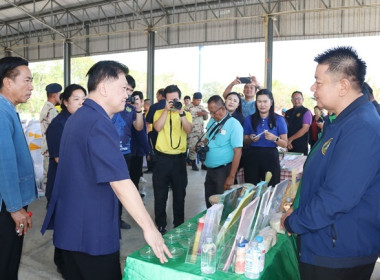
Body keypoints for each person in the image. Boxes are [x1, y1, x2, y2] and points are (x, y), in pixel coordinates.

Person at [41, 61, 171, 280]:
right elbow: (120, 182)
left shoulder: (78, 117)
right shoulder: (98, 123)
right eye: (123, 88)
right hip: (91, 236)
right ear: (103, 88)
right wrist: (150, 228)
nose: (127, 95)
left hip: (72, 232)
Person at [282, 46, 380, 280]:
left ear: (343, 86)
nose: (312, 88)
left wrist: (294, 221)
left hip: (338, 252)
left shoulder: (362, 127)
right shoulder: (340, 122)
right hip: (326, 242)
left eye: (318, 82)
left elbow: (337, 197)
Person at [0, 56, 37, 280]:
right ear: (7, 82)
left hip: (9, 202)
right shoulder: (1, 112)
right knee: (6, 260)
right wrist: (15, 208)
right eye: (27, 81)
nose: (31, 87)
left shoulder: (8, 109)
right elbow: (4, 164)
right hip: (6, 204)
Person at [45, 84, 87, 277]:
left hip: (77, 181)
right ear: (64, 101)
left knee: (72, 224)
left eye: (83, 99)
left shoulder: (79, 120)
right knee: (63, 223)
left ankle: (68, 258)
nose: (81, 103)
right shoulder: (58, 125)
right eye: (76, 99)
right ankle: (61, 261)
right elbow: (60, 158)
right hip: (62, 183)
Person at [152, 85, 193, 235]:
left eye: (175, 99)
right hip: (162, 160)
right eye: (169, 100)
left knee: (179, 194)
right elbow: (157, 128)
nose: (172, 102)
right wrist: (165, 111)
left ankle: (179, 224)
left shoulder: (186, 114)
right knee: (160, 194)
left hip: (179, 161)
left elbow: (188, 130)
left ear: (180, 99)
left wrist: (181, 112)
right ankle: (161, 225)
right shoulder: (158, 112)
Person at [112, 74, 143, 230]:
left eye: (130, 90)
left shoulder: (131, 108)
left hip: (125, 152)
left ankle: (118, 219)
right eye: (125, 89)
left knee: (123, 188)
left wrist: (138, 110)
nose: (128, 93)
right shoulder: (110, 104)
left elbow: (138, 127)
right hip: (109, 152)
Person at [202, 95, 243, 208]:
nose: (212, 115)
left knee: (222, 205)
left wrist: (231, 176)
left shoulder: (234, 124)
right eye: (210, 112)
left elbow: (238, 151)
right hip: (210, 170)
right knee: (210, 201)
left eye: (214, 112)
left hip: (224, 171)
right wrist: (201, 145)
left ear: (223, 109)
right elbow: (207, 138)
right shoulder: (213, 121)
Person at [243, 89, 287, 187]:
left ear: (271, 102)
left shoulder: (279, 120)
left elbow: (284, 143)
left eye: (265, 101)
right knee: (251, 188)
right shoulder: (249, 119)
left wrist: (274, 138)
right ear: (256, 103)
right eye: (259, 101)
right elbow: (244, 141)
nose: (262, 104)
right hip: (252, 156)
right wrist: (250, 139)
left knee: (271, 186)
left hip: (270, 156)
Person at [40, 83, 62, 194]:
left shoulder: (47, 107)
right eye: (59, 94)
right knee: (50, 177)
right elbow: (56, 129)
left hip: (47, 147)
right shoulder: (51, 110)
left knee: (47, 175)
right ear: (54, 95)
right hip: (50, 148)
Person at [130, 91, 150, 196]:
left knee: (135, 175)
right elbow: (141, 134)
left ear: (142, 101)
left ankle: (135, 193)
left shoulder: (131, 112)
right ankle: (134, 195)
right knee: (135, 175)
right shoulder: (136, 114)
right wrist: (148, 151)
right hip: (135, 150)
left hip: (135, 150)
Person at [185, 92, 208, 171]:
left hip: (201, 131)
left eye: (200, 100)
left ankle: (203, 164)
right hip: (192, 132)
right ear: (193, 99)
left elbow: (205, 118)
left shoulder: (201, 107)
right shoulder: (188, 108)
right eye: (197, 100)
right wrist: (197, 114)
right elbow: (185, 118)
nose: (199, 102)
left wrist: (204, 114)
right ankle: (193, 163)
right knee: (193, 148)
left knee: (203, 147)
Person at [285, 91, 312, 155]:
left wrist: (290, 139)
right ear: (291, 100)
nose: (296, 101)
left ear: (302, 99)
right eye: (294, 99)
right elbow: (284, 128)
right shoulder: (288, 112)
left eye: (299, 99)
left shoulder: (306, 112)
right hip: (289, 144)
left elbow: (305, 129)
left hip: (301, 145)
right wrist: (286, 141)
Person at [146, 88, 166, 172]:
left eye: (157, 95)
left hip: (156, 134)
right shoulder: (174, 106)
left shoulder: (154, 106)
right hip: (167, 135)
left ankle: (153, 169)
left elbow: (148, 121)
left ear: (161, 95)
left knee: (154, 151)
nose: (157, 97)